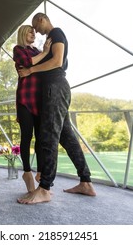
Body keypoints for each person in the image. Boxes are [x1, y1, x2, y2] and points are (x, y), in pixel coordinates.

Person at [17, 13, 96, 204]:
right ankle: (85, 181)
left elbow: (57, 62)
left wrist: (31, 70)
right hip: (52, 90)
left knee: (48, 136)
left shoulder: (57, 33)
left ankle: (44, 188)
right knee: (67, 137)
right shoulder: (46, 43)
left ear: (42, 19)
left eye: (36, 26)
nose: (36, 31)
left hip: (56, 88)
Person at [12, 25, 51, 193]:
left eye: (34, 32)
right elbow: (27, 63)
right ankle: (27, 172)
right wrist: (43, 53)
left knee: (41, 138)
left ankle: (40, 173)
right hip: (25, 99)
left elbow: (44, 66)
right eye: (30, 32)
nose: (33, 34)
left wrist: (41, 56)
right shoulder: (18, 49)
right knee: (26, 136)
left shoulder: (36, 51)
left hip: (39, 100)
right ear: (23, 34)